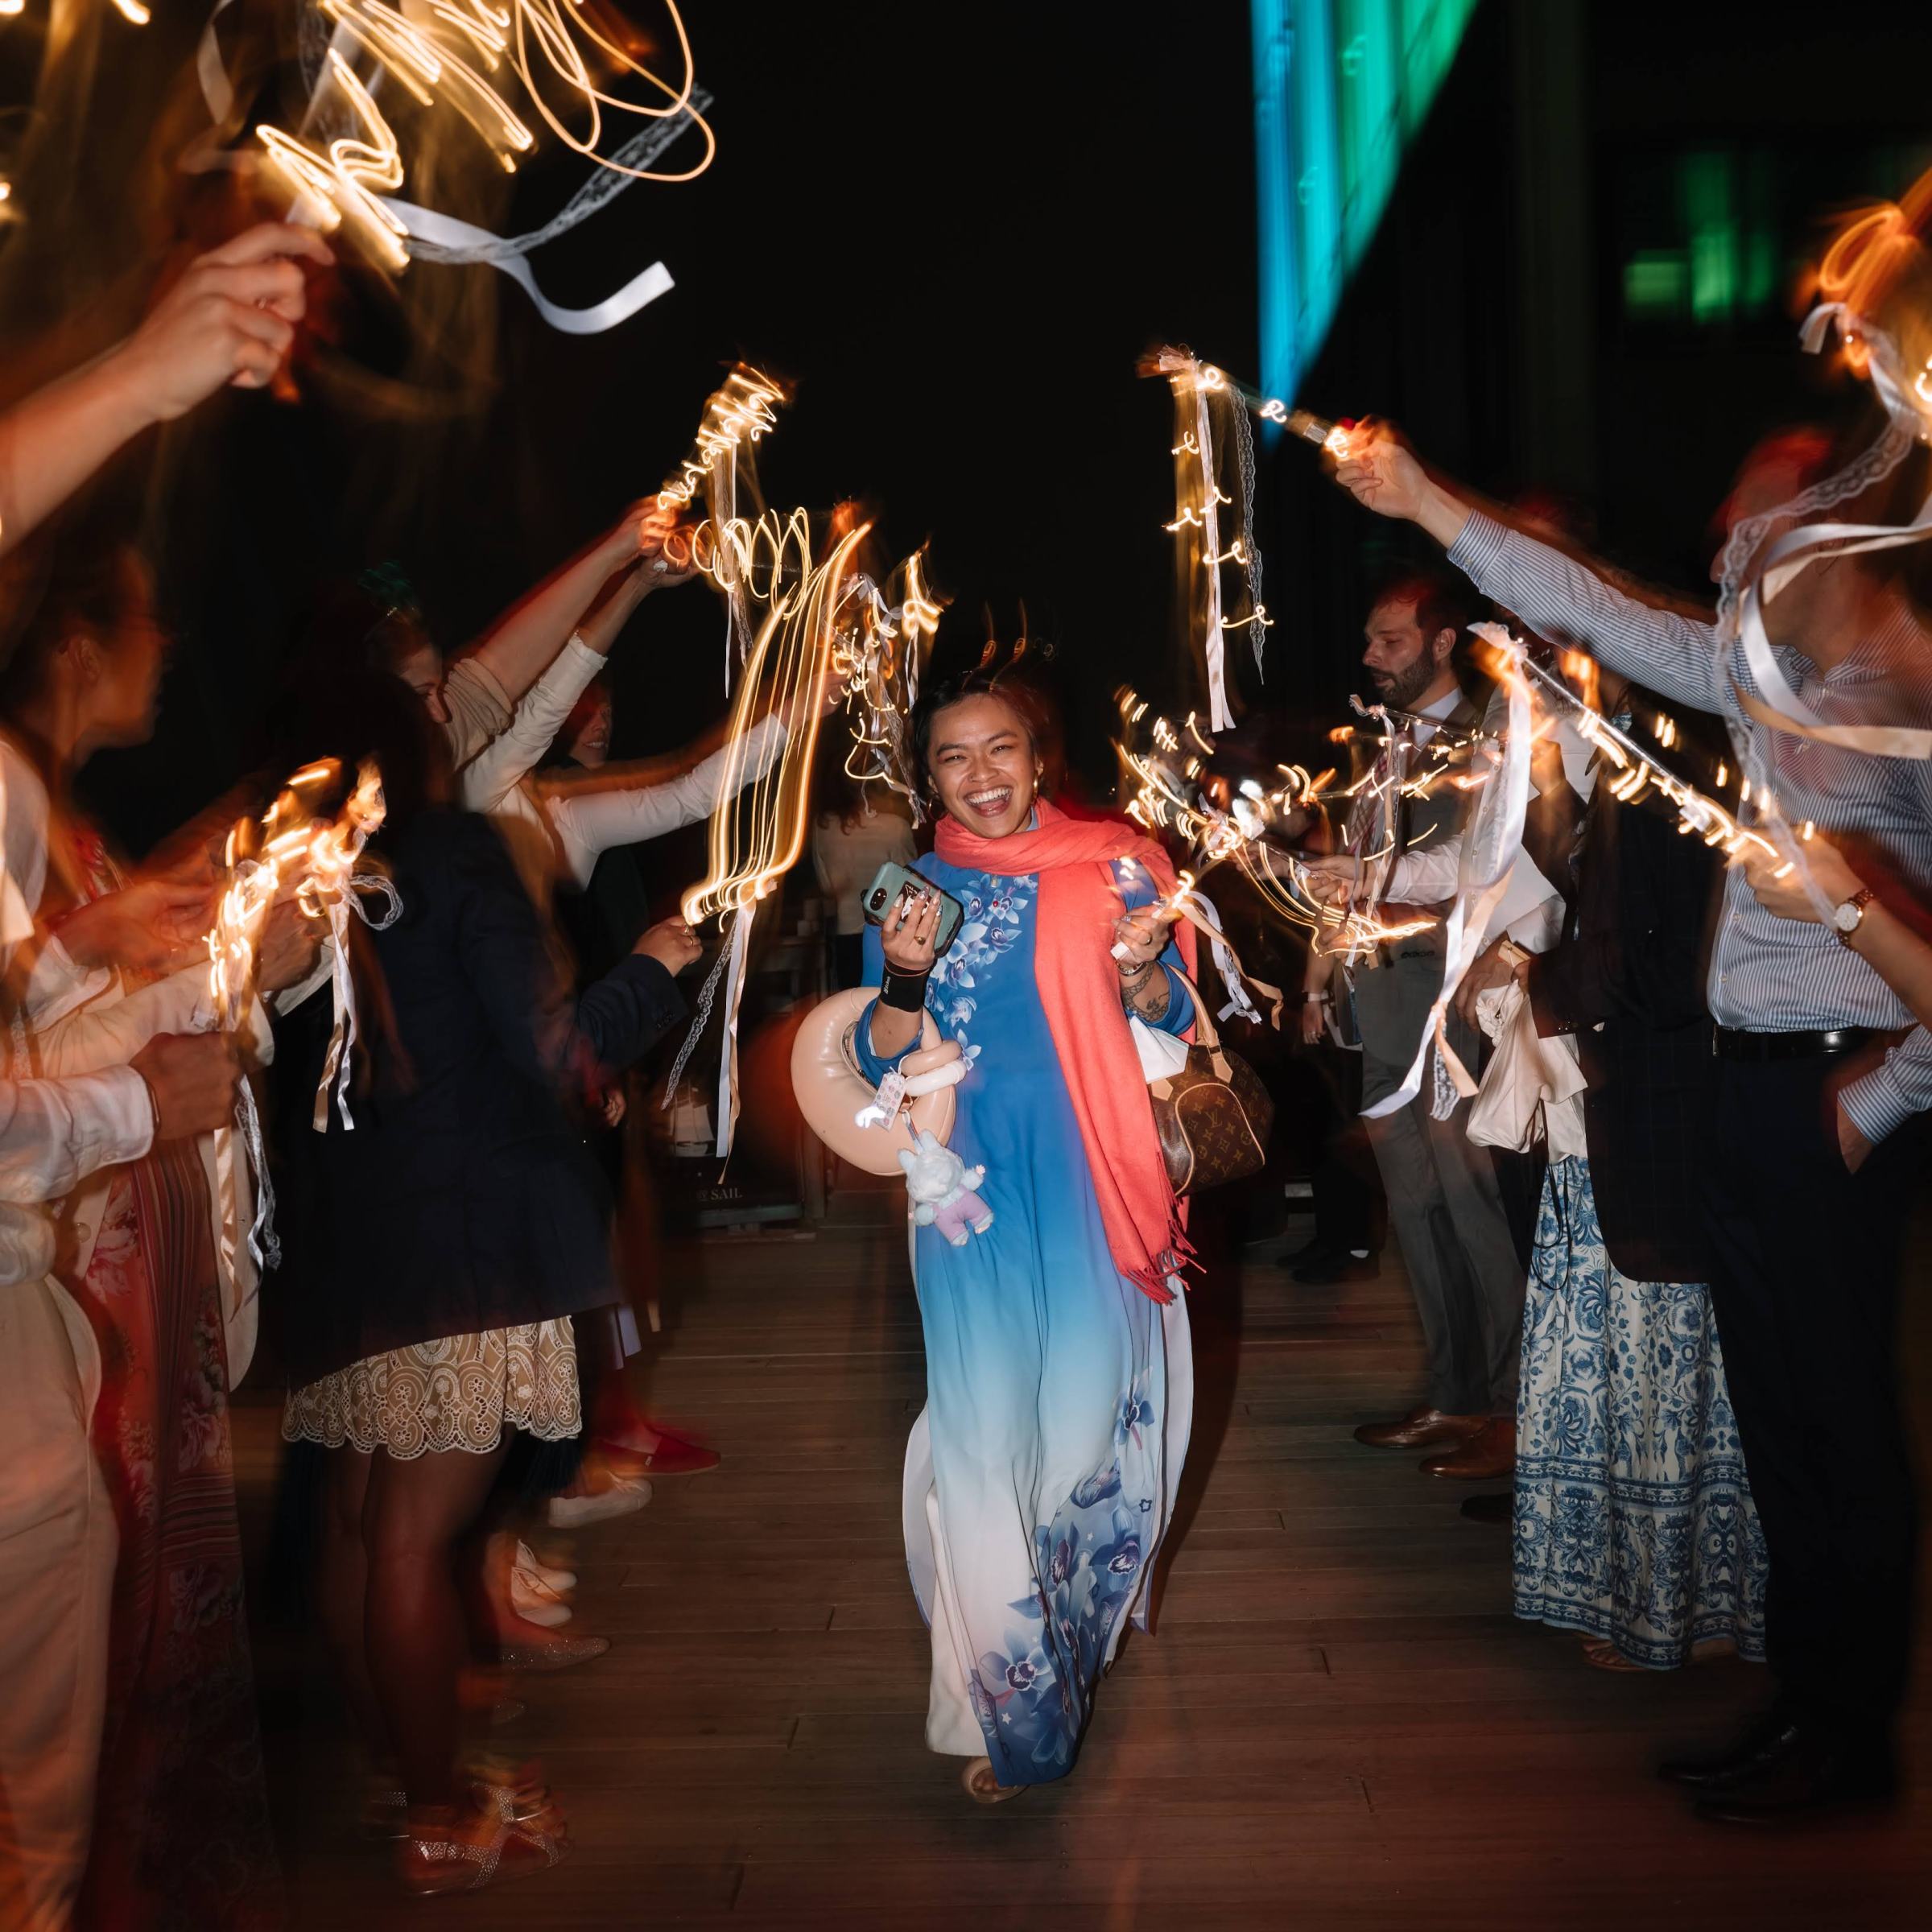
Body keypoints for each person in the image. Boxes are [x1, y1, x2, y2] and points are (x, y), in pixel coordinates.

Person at [1334, 419, 1932, 1822]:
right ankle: (1805, 1705)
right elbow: (1598, 613)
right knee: (1780, 1423)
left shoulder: (1911, 699)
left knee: (1841, 1423)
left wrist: (1878, 1098)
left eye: (1760, 529)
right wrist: (1425, 502)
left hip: (1844, 1089)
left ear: (1845, 544)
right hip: (1748, 1084)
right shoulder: (1764, 682)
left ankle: (1849, 1741)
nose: (1730, 552)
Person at [270, 665, 700, 1895]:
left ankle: (400, 1778)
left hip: (347, 1240)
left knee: (360, 1528)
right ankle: (435, 1817)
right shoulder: (450, 852)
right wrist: (651, 965)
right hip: (464, 1241)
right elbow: (556, 1049)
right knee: (414, 1540)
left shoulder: (297, 869)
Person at [854, 671, 1198, 1802]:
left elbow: (1179, 1020)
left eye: (1000, 748)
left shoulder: (1119, 864)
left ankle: (1068, 1640)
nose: (982, 775)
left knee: (1083, 1429)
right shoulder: (915, 889)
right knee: (980, 1433)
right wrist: (903, 974)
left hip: (1091, 1175)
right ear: (929, 777)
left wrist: (1142, 965)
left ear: (1038, 756)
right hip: (963, 1189)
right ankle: (999, 1708)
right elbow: (873, 1051)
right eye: (954, 757)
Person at [1496, 678, 1769, 1670]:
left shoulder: (1665, 764)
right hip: (1627, 1113)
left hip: (1661, 1122)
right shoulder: (1627, 761)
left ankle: (1681, 1611)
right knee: (1639, 1369)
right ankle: (1659, 1599)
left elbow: (1662, 969)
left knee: (1669, 1373)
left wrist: (1541, 980)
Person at [1307, 574, 1527, 1480]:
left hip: (1450, 1003)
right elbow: (1354, 862)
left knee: (1475, 1205)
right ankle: (1455, 1392)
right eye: (1369, 638)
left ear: (1442, 643)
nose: (1370, 655)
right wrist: (1324, 974)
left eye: (1390, 640)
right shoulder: (1381, 740)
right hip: (1381, 996)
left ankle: (1515, 1412)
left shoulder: (1494, 736)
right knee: (1415, 1204)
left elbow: (1494, 873)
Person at [811, 735, 915, 989]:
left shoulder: (822, 828)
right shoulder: (896, 827)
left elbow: (826, 886)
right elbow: (912, 889)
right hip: (888, 934)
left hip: (846, 935)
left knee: (852, 1004)